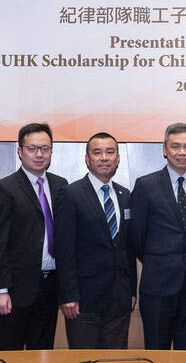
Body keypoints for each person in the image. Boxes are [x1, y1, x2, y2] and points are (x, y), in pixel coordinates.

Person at [129, 123, 186, 350]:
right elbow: (136, 236)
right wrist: (159, 260)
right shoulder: (146, 185)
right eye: (175, 146)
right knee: (157, 352)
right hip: (158, 285)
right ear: (165, 149)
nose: (182, 152)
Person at [0, 122, 67, 350]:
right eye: (32, 149)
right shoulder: (6, 188)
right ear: (20, 151)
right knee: (11, 352)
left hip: (51, 286)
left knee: (43, 353)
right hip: (17, 289)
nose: (39, 154)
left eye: (45, 148)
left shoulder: (61, 185)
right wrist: (0, 290)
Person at [54, 132, 137, 349]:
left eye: (110, 152)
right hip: (83, 300)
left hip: (119, 298)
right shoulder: (70, 194)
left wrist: (131, 291)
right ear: (87, 158)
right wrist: (68, 296)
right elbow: (64, 249)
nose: (104, 157)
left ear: (118, 158)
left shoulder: (125, 195)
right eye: (97, 152)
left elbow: (128, 248)